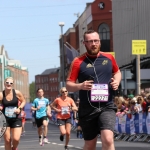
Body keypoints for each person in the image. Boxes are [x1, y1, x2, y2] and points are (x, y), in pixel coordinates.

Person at [66, 30, 121, 150]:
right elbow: (69, 85)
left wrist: (117, 81)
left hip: (107, 105)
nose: (94, 44)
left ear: (100, 42)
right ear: (84, 43)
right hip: (87, 108)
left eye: (96, 41)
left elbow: (117, 72)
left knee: (108, 138)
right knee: (90, 145)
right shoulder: (77, 62)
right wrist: (80, 86)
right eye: (90, 41)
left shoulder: (109, 57)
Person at [0, 77, 26, 150]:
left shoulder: (17, 93)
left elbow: (23, 101)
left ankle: (14, 148)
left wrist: (19, 108)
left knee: (16, 139)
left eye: (11, 83)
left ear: (13, 84)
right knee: (7, 140)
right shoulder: (1, 94)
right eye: (7, 83)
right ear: (4, 83)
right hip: (5, 120)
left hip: (16, 118)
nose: (9, 84)